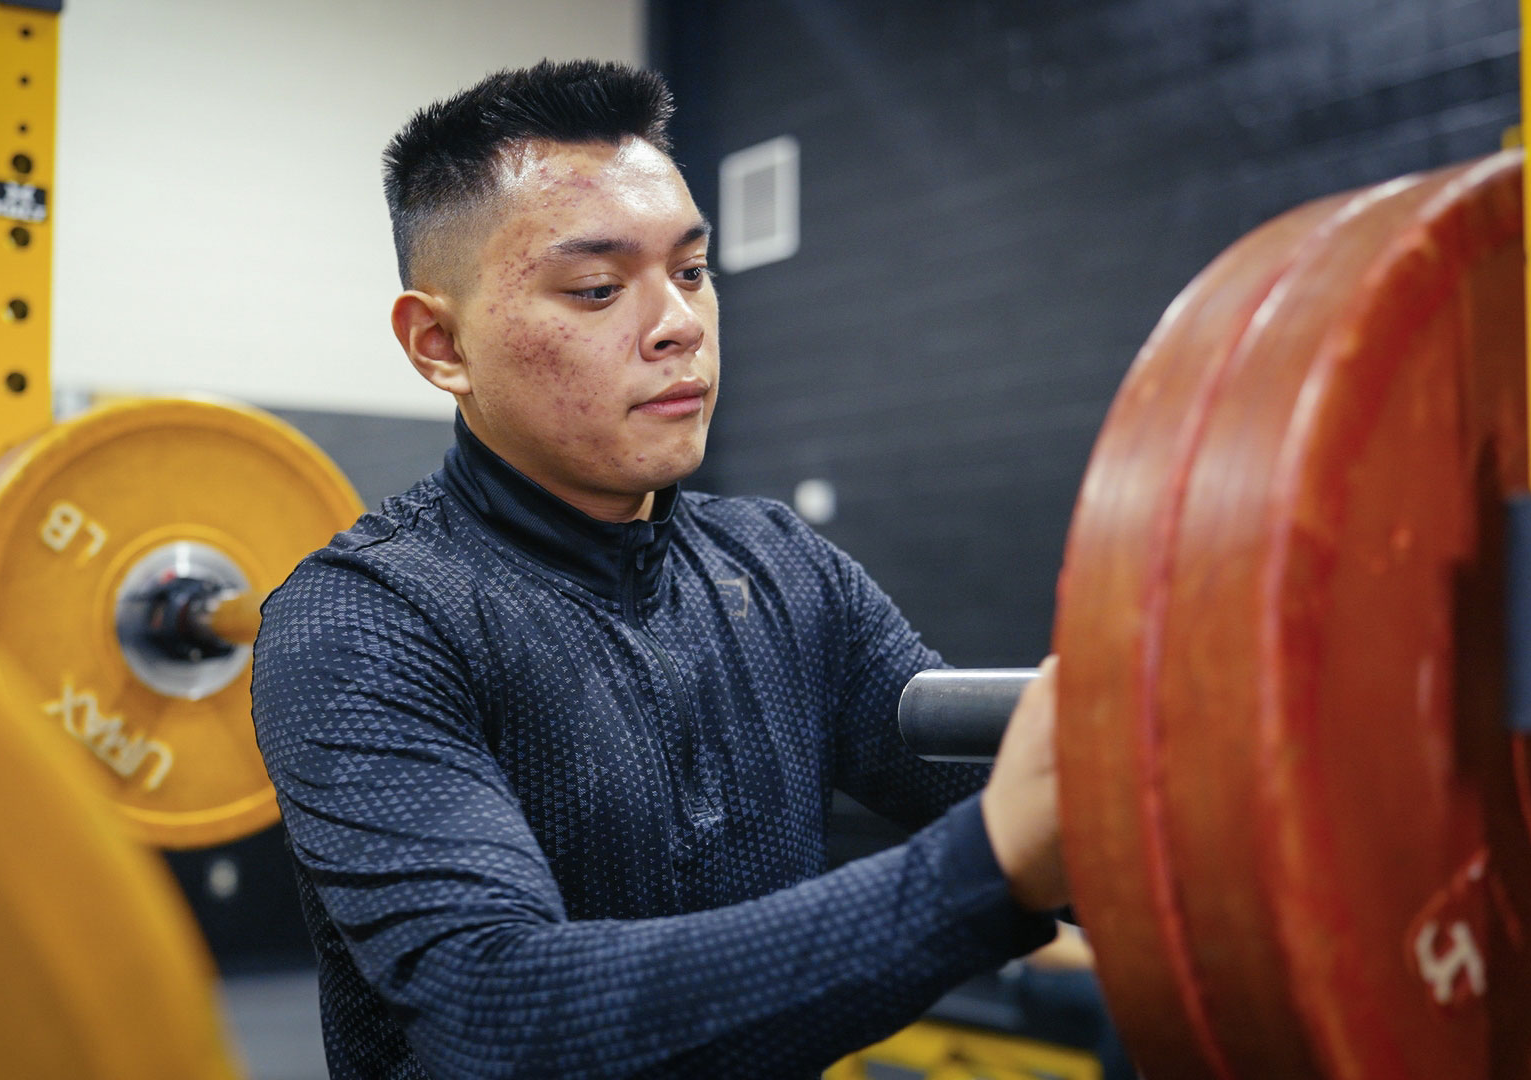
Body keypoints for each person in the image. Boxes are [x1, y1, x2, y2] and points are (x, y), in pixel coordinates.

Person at [251, 59, 1066, 1079]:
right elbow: (499, 1011)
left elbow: (1013, 789)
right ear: (440, 344)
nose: (680, 324)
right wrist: (984, 872)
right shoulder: (364, 624)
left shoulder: (782, 567)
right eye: (597, 288)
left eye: (689, 271)